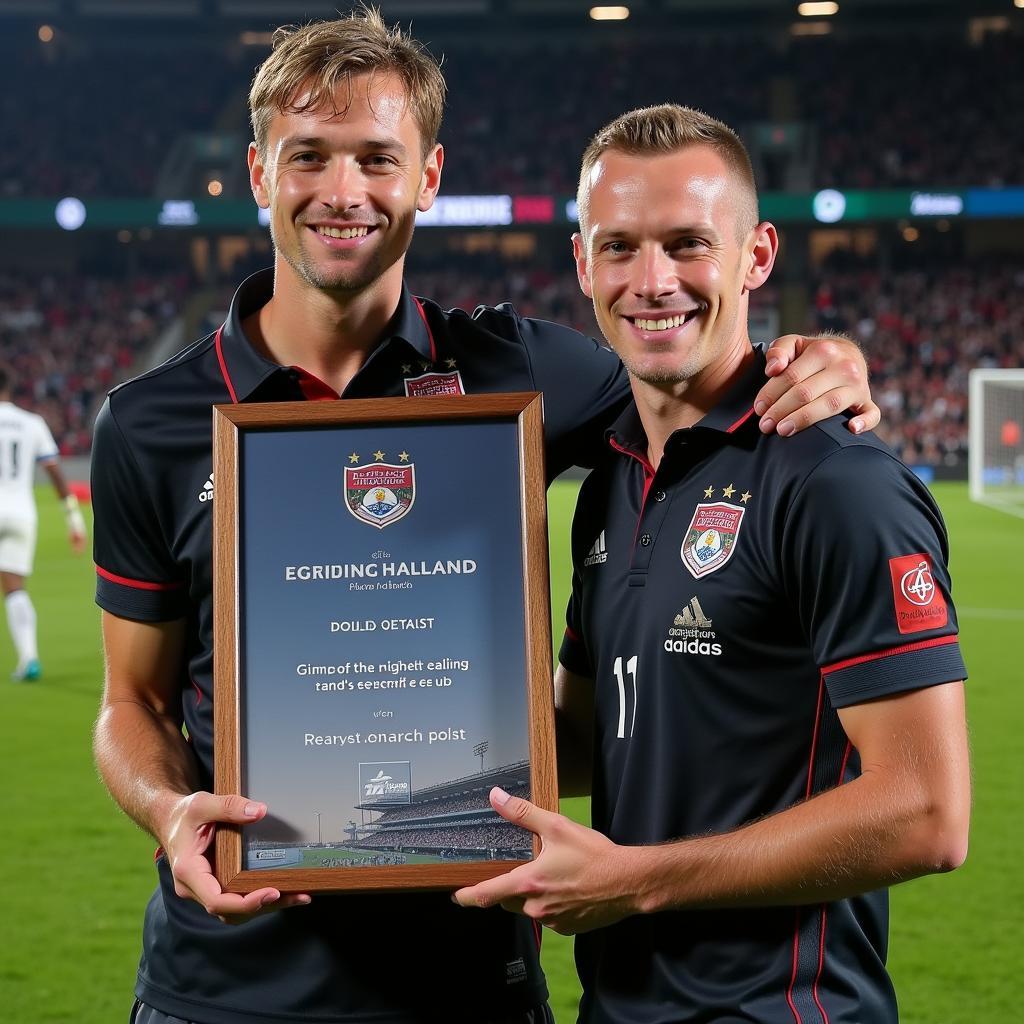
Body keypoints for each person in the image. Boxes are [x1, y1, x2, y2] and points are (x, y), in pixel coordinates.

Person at [91, 12, 881, 1024]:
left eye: (378, 158)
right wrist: (166, 809)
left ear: (427, 179)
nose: (344, 192)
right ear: (257, 173)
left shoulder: (521, 372)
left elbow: (700, 377)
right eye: (309, 157)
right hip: (226, 984)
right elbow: (133, 705)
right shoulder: (149, 422)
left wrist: (820, 356)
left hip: (467, 982)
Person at [453, 105, 971, 1024]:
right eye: (619, 248)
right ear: (582, 263)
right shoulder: (609, 479)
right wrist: (347, 766)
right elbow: (587, 733)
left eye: (688, 243)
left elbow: (928, 811)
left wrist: (637, 881)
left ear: (756, 256)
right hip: (619, 1005)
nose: (653, 282)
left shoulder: (836, 482)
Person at [0, 365, 86, 681]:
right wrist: (74, 518)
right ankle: (29, 658)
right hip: (22, 514)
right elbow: (54, 472)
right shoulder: (31, 423)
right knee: (14, 587)